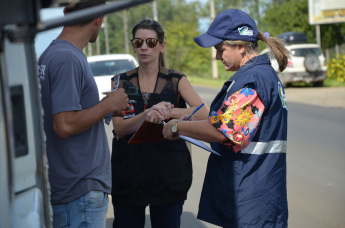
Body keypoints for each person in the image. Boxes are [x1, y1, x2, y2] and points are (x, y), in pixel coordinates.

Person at [163, 9, 289, 228]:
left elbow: (223, 131)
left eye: (220, 49)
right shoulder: (258, 76)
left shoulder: (253, 81)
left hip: (252, 201)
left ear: (241, 46)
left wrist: (176, 128)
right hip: (256, 194)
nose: (217, 56)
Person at [110, 18, 209, 228]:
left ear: (162, 46)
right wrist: (147, 113)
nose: (144, 47)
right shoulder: (119, 82)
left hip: (169, 174)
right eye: (138, 42)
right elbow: (119, 128)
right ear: (133, 45)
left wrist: (168, 112)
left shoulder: (176, 79)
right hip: (128, 174)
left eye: (151, 42)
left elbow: (204, 114)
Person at [38, 2, 130, 227]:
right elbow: (65, 125)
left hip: (70, 188)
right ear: (98, 19)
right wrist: (108, 105)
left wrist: (105, 106)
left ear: (66, 14)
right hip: (79, 192)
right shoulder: (68, 58)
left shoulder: (52, 53)